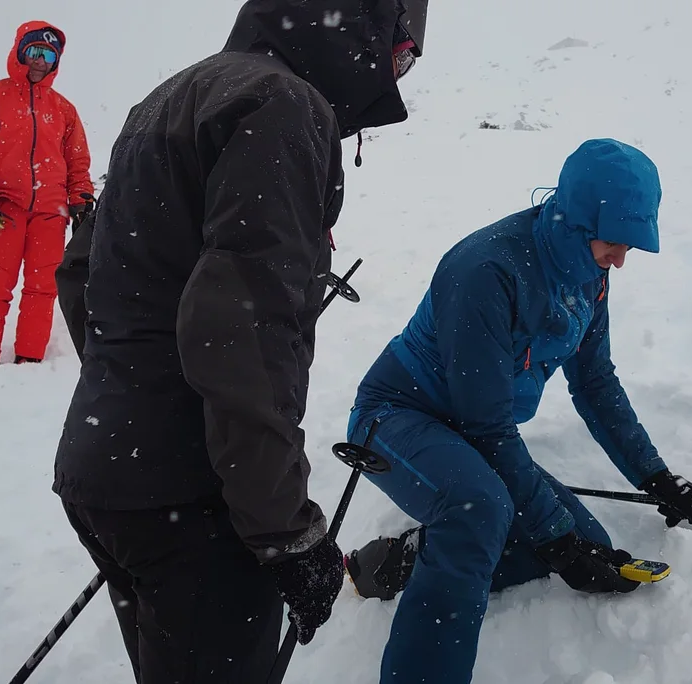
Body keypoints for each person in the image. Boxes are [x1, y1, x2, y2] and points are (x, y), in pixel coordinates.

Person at [51, 0, 427, 682]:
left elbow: (84, 271)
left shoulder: (169, 98)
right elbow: (240, 330)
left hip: (107, 476)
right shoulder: (284, 106)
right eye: (400, 54)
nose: (395, 75)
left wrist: (131, 394)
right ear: (360, 27)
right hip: (194, 498)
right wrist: (286, 531)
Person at [341, 138, 692, 684]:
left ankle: (408, 560)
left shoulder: (589, 275)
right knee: (482, 511)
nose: (620, 260)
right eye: (614, 242)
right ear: (580, 222)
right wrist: (555, 535)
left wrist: (654, 476)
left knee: (585, 545)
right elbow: (488, 425)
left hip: (471, 434)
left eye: (629, 246)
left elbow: (595, 382)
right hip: (397, 417)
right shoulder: (486, 270)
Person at [0, 20, 94, 368]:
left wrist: (81, 201)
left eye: (49, 55)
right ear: (19, 52)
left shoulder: (64, 109)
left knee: (43, 288)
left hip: (51, 213)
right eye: (34, 51)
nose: (40, 61)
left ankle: (30, 360)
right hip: (3, 209)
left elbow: (77, 162)